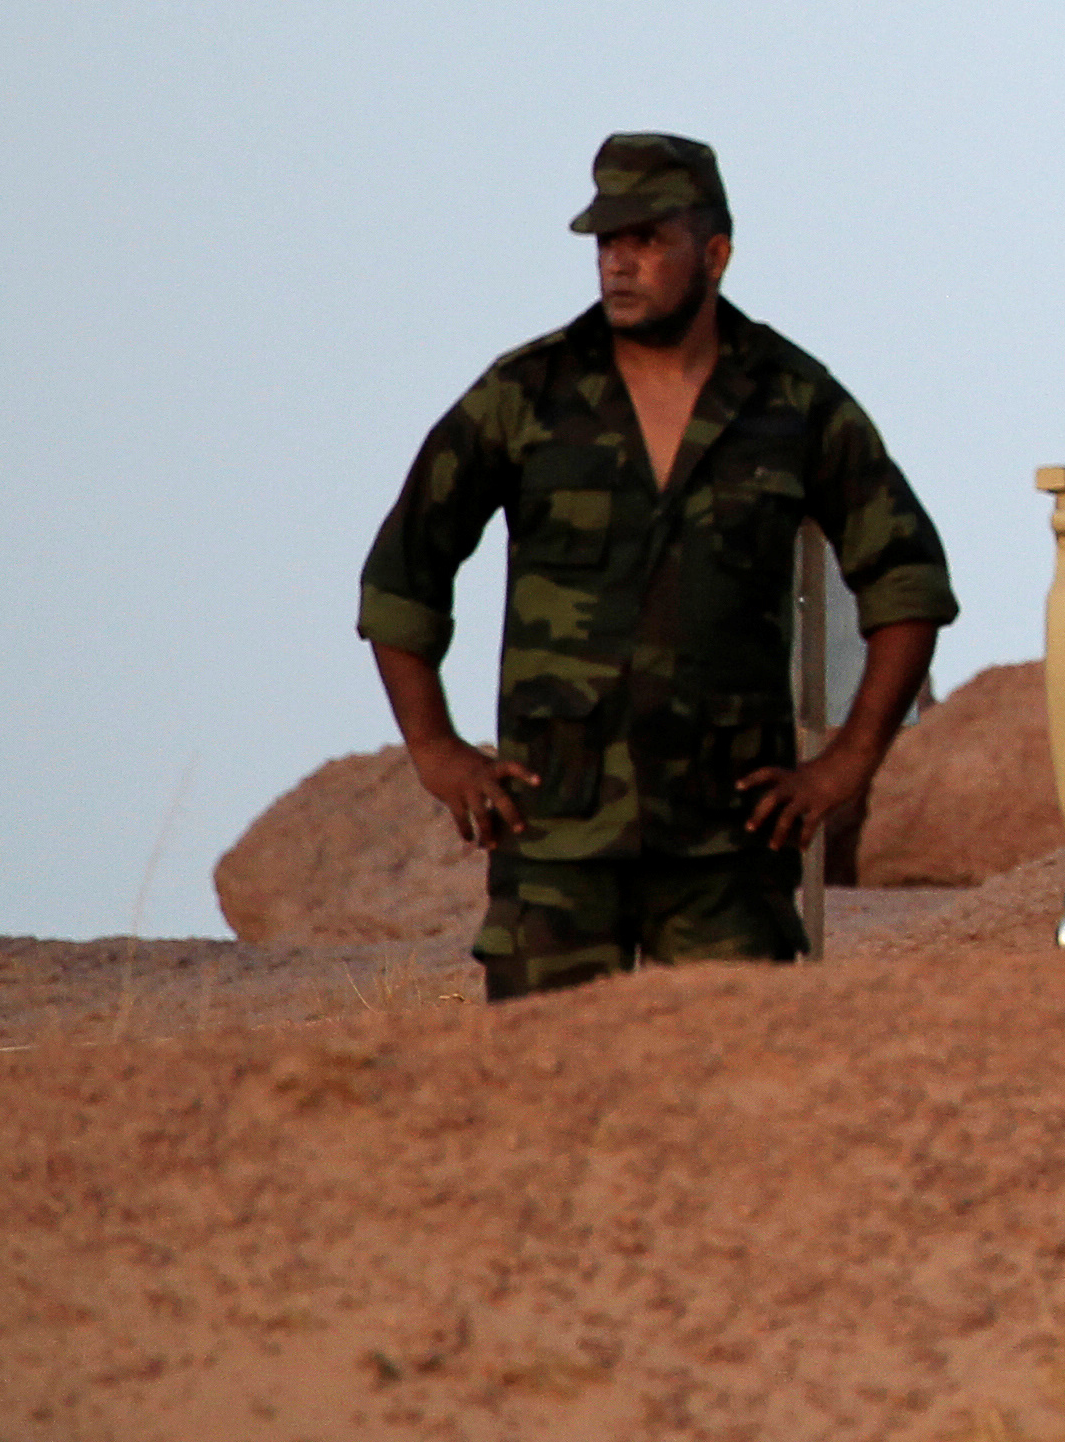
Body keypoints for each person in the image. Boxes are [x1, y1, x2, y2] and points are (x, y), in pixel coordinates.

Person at [357, 133, 957, 1000]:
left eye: (647, 241)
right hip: (556, 839)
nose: (619, 266)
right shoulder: (525, 397)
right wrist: (435, 749)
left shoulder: (792, 401)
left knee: (732, 1100)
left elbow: (908, 580)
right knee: (545, 1101)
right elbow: (403, 576)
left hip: (729, 849)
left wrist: (850, 762)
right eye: (607, 244)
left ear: (714, 254)